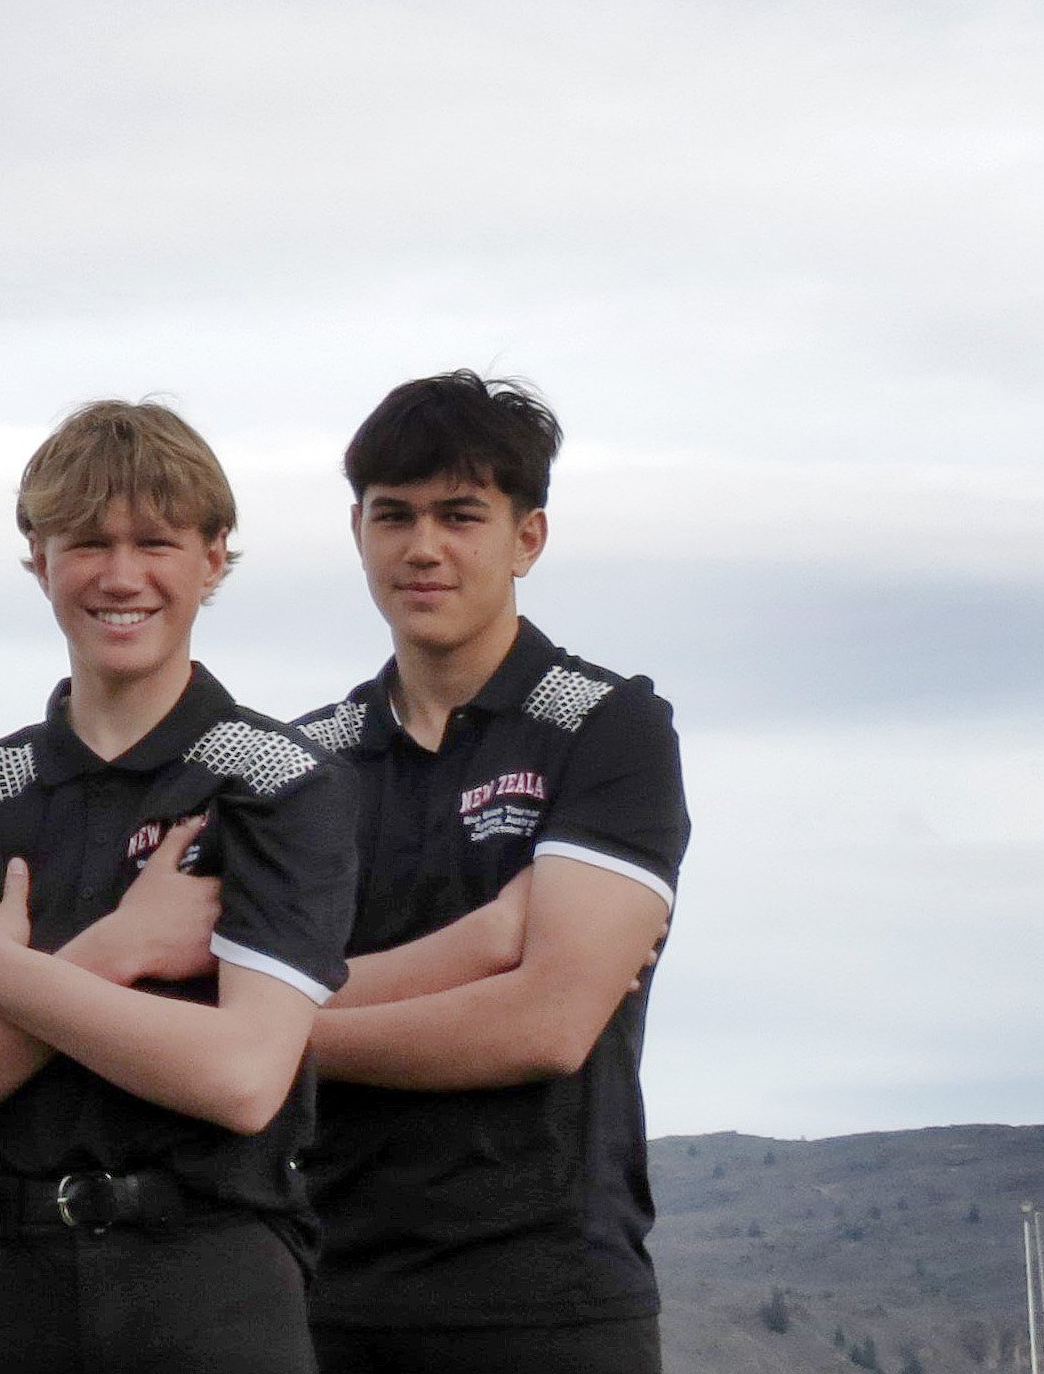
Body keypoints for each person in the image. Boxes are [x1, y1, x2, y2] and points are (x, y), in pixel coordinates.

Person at [0, 400, 356, 1374]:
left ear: (213, 555)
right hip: (11, 1285)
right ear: (36, 555)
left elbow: (240, 1074)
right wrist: (114, 949)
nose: (121, 573)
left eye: (156, 540)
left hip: (216, 1282)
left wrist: (2, 973)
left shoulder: (272, 778)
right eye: (88, 540)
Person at [292, 374, 689, 1374]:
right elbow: (221, 996)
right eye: (395, 514)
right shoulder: (301, 764)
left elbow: (547, 1024)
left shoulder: (609, 727)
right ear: (357, 530)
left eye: (460, 514)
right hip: (319, 1295)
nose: (423, 546)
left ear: (528, 537)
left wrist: (275, 1033)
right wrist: (483, 944)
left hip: (550, 1304)